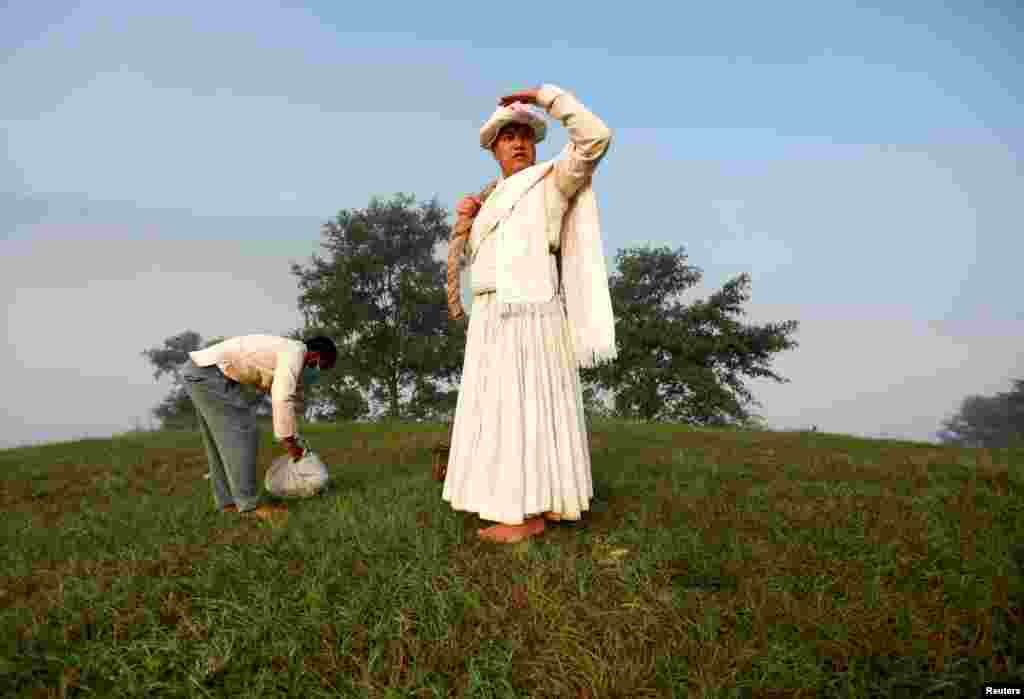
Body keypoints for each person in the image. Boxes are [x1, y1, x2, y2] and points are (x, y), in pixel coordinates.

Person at [443, 84, 617, 543]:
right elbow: (483, 258)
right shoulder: (492, 200)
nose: (518, 142)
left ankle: (523, 516)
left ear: (536, 142)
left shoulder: (553, 181)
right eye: (507, 136)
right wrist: (471, 217)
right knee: (498, 411)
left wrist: (547, 97)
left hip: (531, 312)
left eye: (525, 134)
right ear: (494, 147)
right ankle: (537, 503)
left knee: (527, 408)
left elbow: (596, 137)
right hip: (490, 316)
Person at [179, 334, 338, 519]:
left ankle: (228, 503)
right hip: (207, 373)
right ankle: (249, 506)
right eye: (323, 367)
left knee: (221, 440)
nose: (318, 372)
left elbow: (292, 399)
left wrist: (296, 441)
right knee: (243, 431)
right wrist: (289, 441)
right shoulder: (295, 352)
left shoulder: (289, 353)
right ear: (315, 357)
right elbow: (282, 398)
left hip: (202, 370)